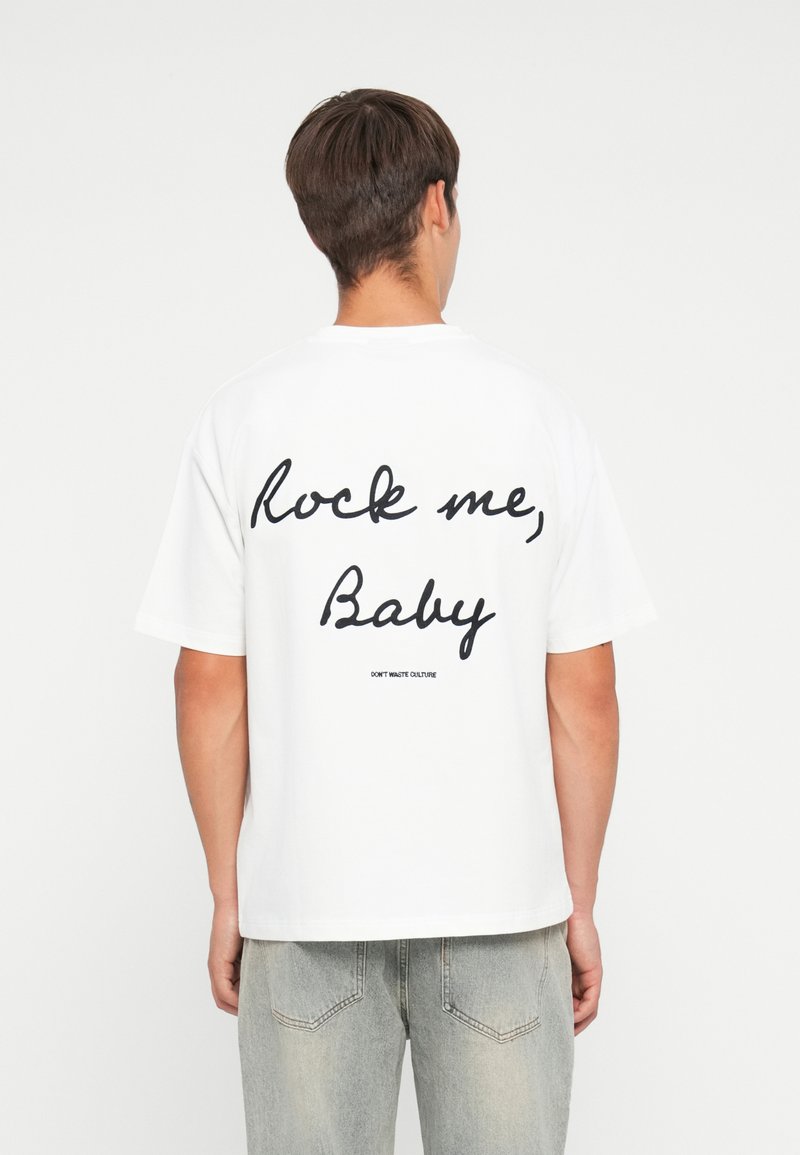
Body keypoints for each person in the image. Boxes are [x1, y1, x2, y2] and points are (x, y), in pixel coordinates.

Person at [134, 87, 658, 1155]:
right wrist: (578, 896)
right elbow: (585, 691)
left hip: (305, 908)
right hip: (501, 905)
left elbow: (208, 682)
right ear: (437, 207)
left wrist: (229, 892)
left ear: (318, 227)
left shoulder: (242, 421)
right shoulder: (537, 420)